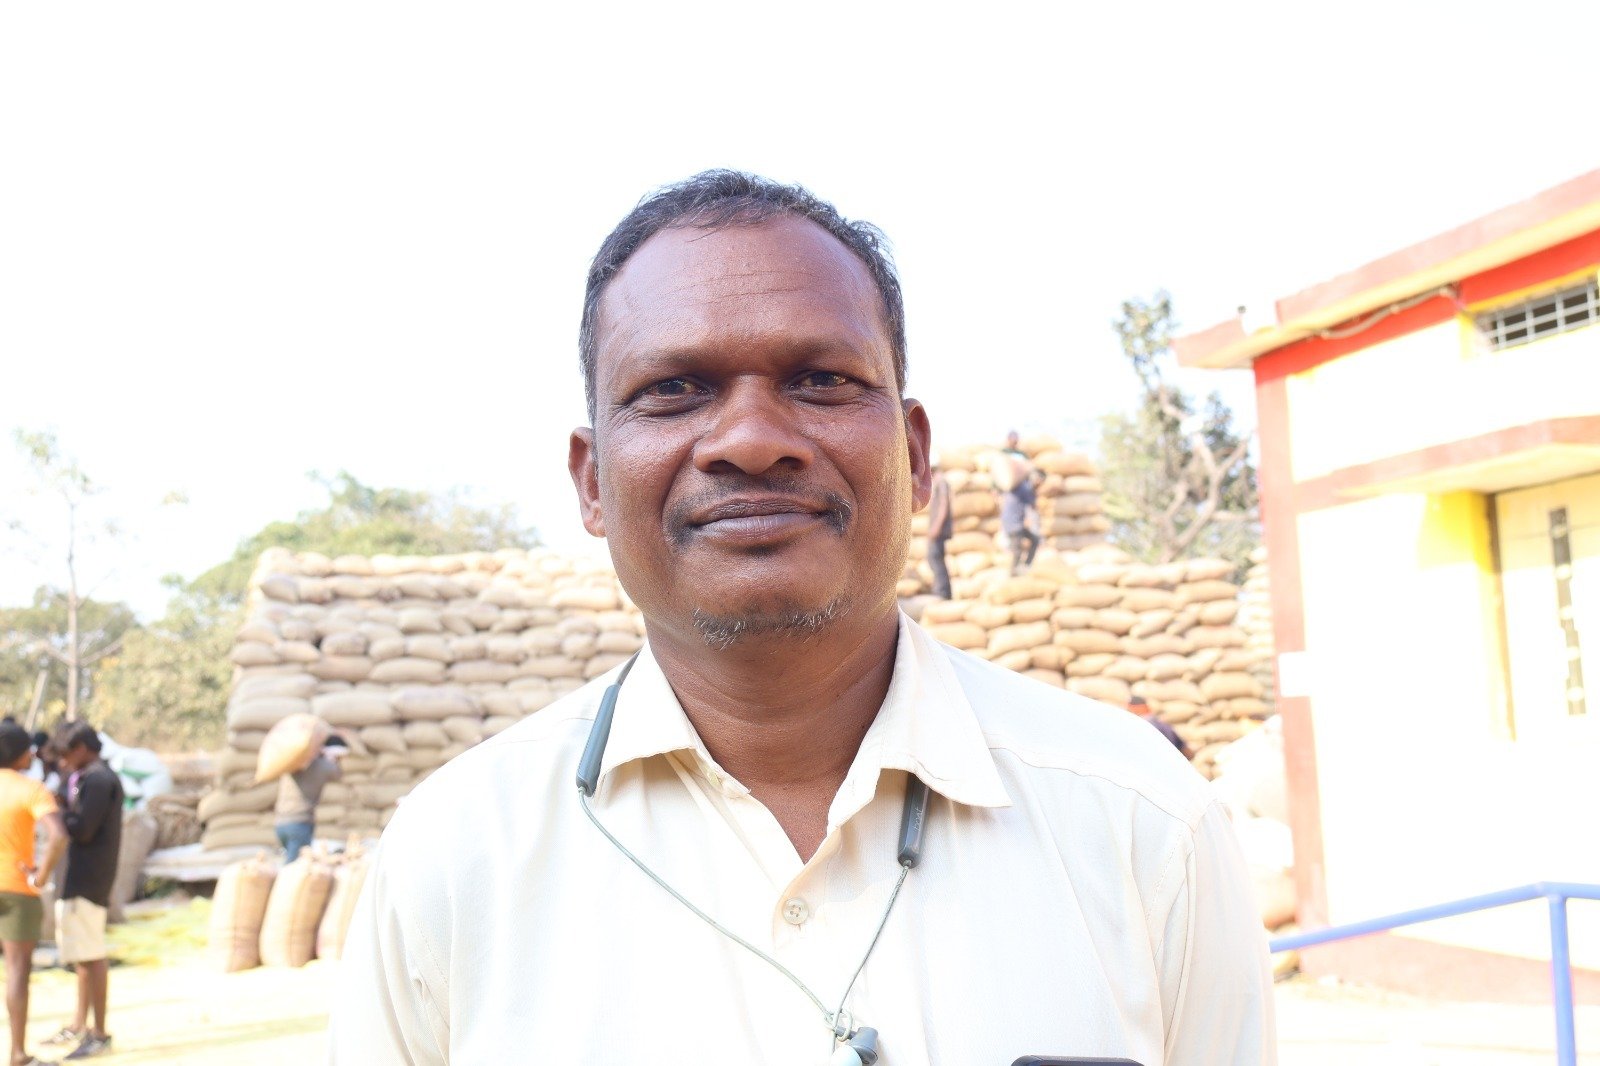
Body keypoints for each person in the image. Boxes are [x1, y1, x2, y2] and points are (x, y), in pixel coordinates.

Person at [332, 170, 1273, 1063]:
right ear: (591, 483)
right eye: (673, 390)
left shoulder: (1142, 823)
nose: (750, 441)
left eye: (820, 380)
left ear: (915, 458)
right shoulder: (453, 858)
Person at [46, 723, 121, 1061]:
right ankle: (80, 1024)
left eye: (65, 755)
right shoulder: (87, 778)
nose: (63, 763)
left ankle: (99, 1032)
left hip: (89, 879)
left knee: (92, 956)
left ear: (80, 748)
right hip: (79, 877)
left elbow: (83, 829)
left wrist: (57, 811)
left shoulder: (99, 780)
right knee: (82, 957)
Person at [0, 722, 66, 1066]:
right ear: (21, 754)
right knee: (16, 971)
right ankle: (17, 1054)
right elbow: (58, 835)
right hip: (16, 888)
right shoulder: (31, 790)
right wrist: (40, 876)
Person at [274, 734, 347, 860]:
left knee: (290, 859)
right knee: (296, 865)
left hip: (280, 822)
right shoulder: (322, 766)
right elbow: (338, 774)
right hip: (299, 822)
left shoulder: (294, 764)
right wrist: (331, 758)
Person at [1001, 459, 1041, 574]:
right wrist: (1036, 489)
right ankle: (1014, 573)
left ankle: (1025, 566)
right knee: (1017, 551)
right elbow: (1033, 504)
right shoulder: (1023, 487)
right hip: (1014, 524)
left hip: (1013, 523)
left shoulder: (1017, 487)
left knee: (1034, 540)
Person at [924, 457, 953, 599]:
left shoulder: (941, 482)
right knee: (935, 557)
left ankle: (943, 591)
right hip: (937, 528)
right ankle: (942, 590)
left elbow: (944, 505)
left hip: (939, 529)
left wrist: (936, 526)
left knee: (935, 557)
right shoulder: (937, 482)